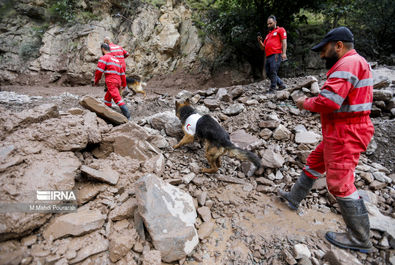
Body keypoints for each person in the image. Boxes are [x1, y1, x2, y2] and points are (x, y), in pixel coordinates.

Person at [278, 27, 374, 253]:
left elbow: (329, 102)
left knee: (339, 184)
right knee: (314, 161)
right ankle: (294, 197)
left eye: (324, 49)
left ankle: (360, 239)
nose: (321, 54)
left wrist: (305, 103)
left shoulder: (347, 64)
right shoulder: (355, 62)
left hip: (346, 132)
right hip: (341, 130)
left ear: (338, 45)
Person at [94, 43, 131, 120]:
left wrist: (96, 81)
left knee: (117, 99)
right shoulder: (116, 60)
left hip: (111, 81)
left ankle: (128, 117)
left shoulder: (104, 58)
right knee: (107, 97)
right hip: (118, 81)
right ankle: (107, 115)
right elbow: (122, 74)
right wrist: (124, 84)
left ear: (103, 49)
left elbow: (99, 71)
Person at [257, 15, 287, 91]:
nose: (269, 25)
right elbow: (263, 48)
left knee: (273, 70)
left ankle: (272, 88)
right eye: (268, 24)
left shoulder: (280, 30)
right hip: (268, 56)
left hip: (276, 54)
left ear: (275, 22)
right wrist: (260, 41)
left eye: (270, 23)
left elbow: (284, 42)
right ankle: (281, 84)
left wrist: (284, 53)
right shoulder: (268, 35)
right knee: (268, 72)